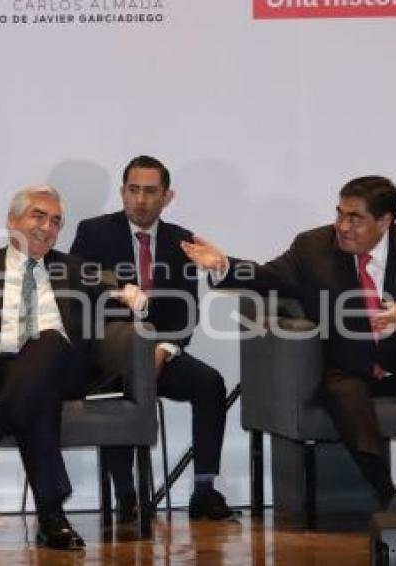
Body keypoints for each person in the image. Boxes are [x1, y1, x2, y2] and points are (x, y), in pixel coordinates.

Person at [181, 175, 396, 511]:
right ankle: (387, 496)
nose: (342, 226)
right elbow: (267, 276)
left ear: (384, 221)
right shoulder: (313, 248)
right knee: (346, 398)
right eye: (340, 214)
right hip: (346, 366)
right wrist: (224, 266)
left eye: (355, 218)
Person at [0, 185, 147, 550]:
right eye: (38, 216)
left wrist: (135, 299)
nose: (47, 228)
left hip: (66, 370)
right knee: (36, 396)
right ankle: (51, 518)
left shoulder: (76, 270)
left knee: (49, 337)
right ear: (11, 220)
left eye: (56, 222)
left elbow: (119, 304)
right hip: (2, 373)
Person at [70, 156, 235, 523]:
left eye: (150, 192)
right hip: (111, 352)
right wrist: (125, 346)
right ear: (122, 192)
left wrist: (163, 349)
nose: (140, 200)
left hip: (160, 350)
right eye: (133, 190)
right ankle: (126, 495)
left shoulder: (181, 241)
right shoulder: (94, 232)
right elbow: (79, 296)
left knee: (210, 384)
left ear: (167, 196)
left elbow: (186, 310)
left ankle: (204, 490)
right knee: (116, 391)